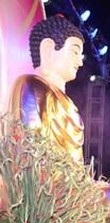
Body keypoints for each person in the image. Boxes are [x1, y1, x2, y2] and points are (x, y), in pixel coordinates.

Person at [10, 15, 85, 164]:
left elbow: (78, 165)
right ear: (48, 49)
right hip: (44, 180)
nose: (80, 62)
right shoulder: (31, 85)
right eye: (75, 52)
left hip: (71, 183)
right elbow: (30, 150)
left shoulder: (70, 105)